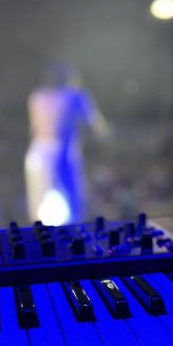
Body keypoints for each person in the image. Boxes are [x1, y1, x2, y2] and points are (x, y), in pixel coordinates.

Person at [25, 62, 107, 225]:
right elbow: (97, 128)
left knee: (40, 217)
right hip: (62, 157)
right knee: (72, 213)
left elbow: (33, 130)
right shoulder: (76, 96)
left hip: (35, 157)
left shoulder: (36, 97)